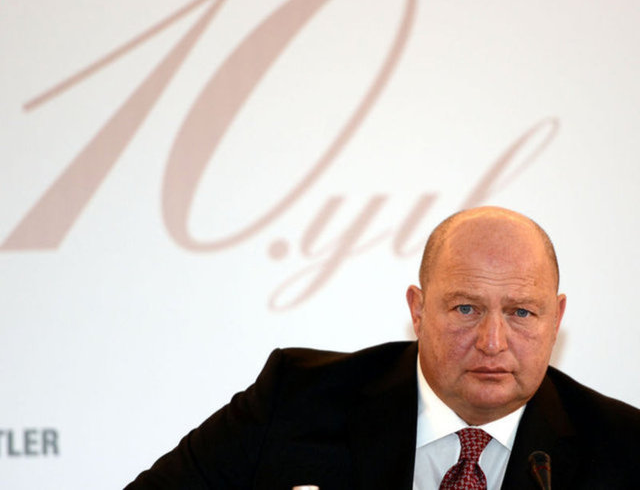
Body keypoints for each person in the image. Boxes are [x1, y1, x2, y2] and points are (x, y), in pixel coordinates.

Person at [125, 207, 640, 489]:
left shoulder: (625, 449)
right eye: (466, 308)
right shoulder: (295, 399)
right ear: (418, 310)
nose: (492, 341)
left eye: (521, 312)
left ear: (556, 319)